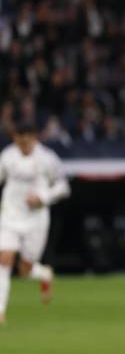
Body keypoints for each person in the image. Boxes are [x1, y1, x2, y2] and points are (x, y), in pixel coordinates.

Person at [0, 120, 70, 325]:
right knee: (4, 258)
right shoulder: (7, 156)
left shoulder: (47, 158)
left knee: (25, 270)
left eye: (27, 142)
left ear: (34, 138)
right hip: (10, 216)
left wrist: (43, 198)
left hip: (36, 220)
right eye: (20, 142)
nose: (23, 146)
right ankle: (1, 310)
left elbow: (63, 186)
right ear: (15, 139)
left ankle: (44, 273)